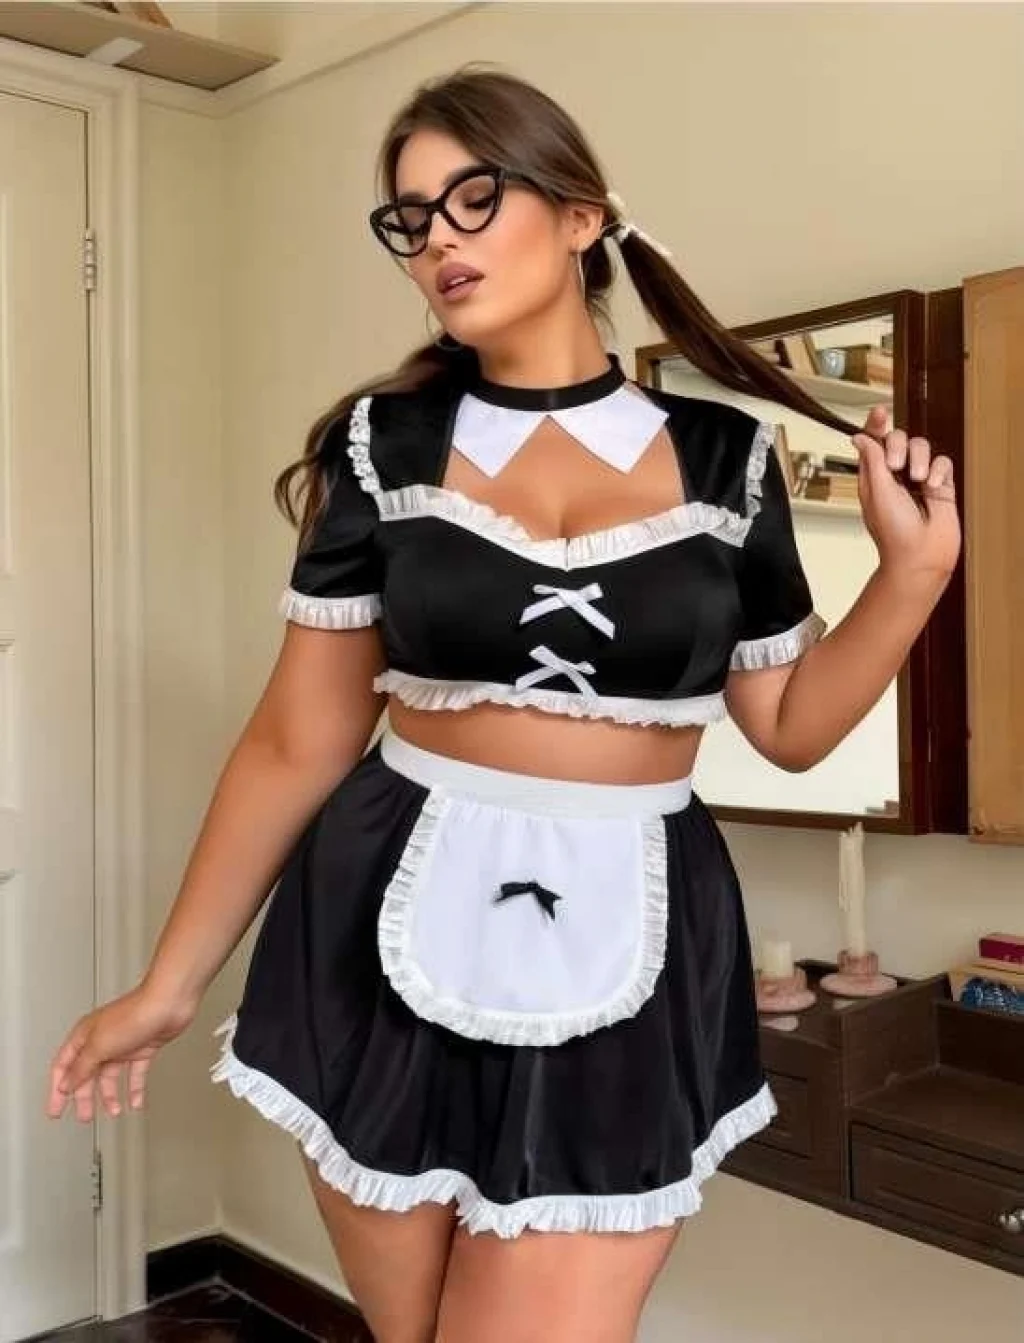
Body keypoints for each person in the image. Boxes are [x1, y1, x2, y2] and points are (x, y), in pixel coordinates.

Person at [47, 65, 959, 1343]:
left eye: (472, 198)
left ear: (582, 215)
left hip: (638, 928)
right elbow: (298, 740)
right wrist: (168, 982)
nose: (438, 240)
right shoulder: (381, 447)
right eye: (411, 218)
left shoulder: (728, 461)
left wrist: (912, 576)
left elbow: (792, 728)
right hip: (379, 915)